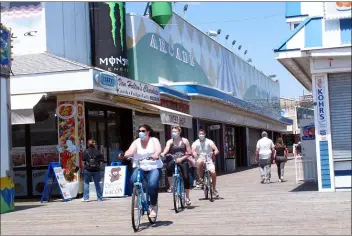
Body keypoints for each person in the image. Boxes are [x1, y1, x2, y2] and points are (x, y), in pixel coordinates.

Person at [119, 124, 162, 218]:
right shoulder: (136, 142)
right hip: (140, 166)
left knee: (152, 185)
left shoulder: (154, 140)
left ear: (148, 132)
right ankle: (139, 199)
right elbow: (130, 151)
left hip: (153, 166)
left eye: (143, 131)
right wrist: (124, 155)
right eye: (139, 131)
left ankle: (153, 207)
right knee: (132, 181)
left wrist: (156, 154)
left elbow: (158, 149)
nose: (141, 133)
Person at [161, 126, 193, 206]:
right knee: (168, 168)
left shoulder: (185, 141)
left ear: (179, 132)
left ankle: (187, 197)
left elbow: (189, 152)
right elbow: (166, 148)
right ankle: (171, 186)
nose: (173, 133)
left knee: (186, 177)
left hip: (183, 159)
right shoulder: (170, 141)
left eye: (175, 132)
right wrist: (163, 153)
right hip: (173, 159)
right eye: (172, 132)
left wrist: (182, 158)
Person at [192, 129, 220, 198]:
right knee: (199, 161)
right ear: (198, 135)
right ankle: (200, 178)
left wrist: (215, 152)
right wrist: (194, 153)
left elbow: (215, 149)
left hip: (209, 159)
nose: (201, 135)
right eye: (200, 134)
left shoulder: (209, 141)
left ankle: (214, 189)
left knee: (213, 172)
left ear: (205, 134)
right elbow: (193, 150)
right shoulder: (196, 142)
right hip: (200, 157)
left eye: (202, 134)